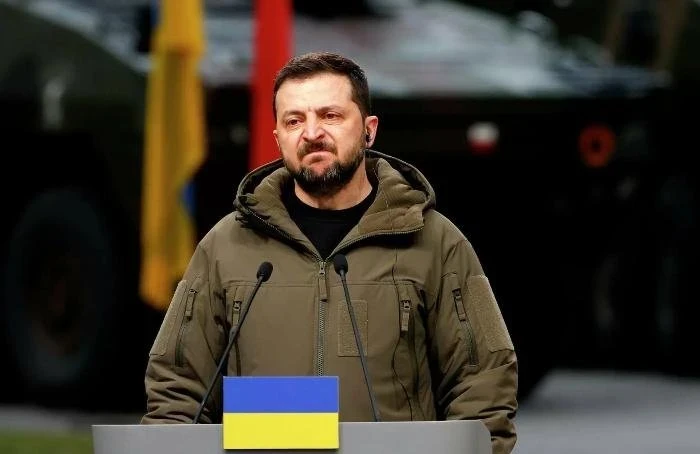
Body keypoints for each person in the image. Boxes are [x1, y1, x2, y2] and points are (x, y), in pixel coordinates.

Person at [141, 51, 518, 454]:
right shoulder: (225, 246)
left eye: (330, 116)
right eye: (294, 121)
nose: (311, 133)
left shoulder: (435, 242)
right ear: (278, 138)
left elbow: (483, 383)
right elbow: (176, 388)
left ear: (369, 130)